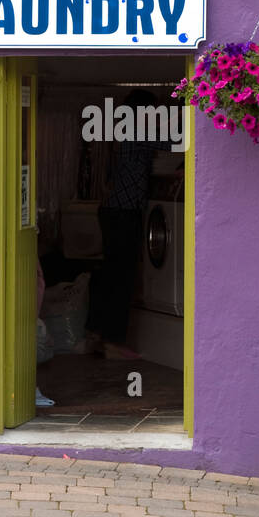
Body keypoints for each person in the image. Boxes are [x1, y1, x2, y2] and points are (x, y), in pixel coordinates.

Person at [85, 89, 167, 360]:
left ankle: (96, 334)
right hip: (123, 212)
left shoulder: (122, 130)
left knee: (110, 274)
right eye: (154, 111)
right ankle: (113, 342)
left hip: (112, 211)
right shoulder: (137, 132)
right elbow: (177, 143)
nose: (157, 116)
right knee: (122, 277)